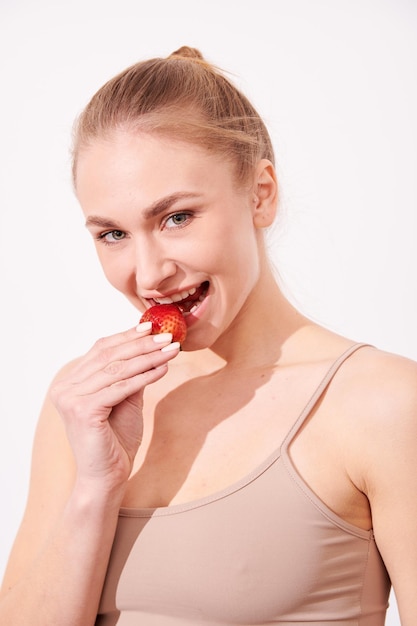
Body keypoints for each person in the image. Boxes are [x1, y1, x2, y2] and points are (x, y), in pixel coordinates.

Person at [0, 45, 416, 626]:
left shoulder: (386, 404)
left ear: (260, 194)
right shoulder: (82, 402)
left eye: (176, 218)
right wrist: (96, 488)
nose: (147, 275)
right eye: (113, 234)